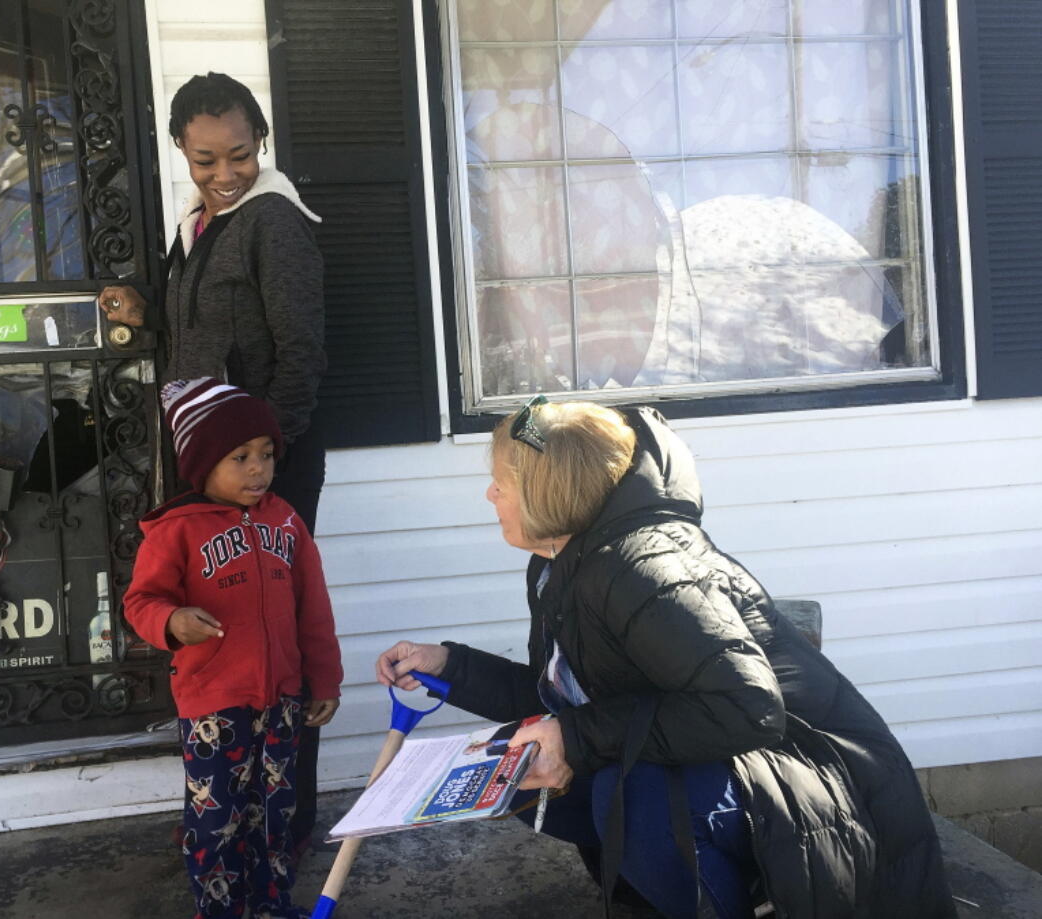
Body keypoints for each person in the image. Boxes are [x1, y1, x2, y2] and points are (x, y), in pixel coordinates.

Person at [376, 398, 956, 919]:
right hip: (735, 758)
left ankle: (747, 898)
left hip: (819, 777)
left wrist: (573, 740)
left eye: (501, 481)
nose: (489, 495)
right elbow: (567, 701)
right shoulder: (561, 563)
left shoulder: (642, 569)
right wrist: (451, 665)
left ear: (544, 491)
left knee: (632, 797)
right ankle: (667, 893)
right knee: (522, 770)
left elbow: (749, 707)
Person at [100, 71, 329, 852]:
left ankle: (283, 827)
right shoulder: (199, 225)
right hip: (211, 480)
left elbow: (299, 357)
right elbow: (198, 336)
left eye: (238, 154)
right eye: (204, 160)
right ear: (181, 153)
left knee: (276, 644)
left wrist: (261, 472)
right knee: (220, 639)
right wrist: (144, 308)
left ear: (261, 141)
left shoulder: (275, 222)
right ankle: (225, 812)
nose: (223, 173)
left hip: (264, 478)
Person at [125, 378, 341, 919]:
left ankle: (272, 907)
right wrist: (172, 620)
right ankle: (220, 912)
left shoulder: (286, 522)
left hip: (283, 702)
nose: (258, 469)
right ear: (201, 465)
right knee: (215, 820)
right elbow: (140, 602)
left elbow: (313, 609)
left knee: (275, 816)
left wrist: (326, 680)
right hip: (212, 705)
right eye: (240, 456)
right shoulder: (175, 530)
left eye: (266, 454)